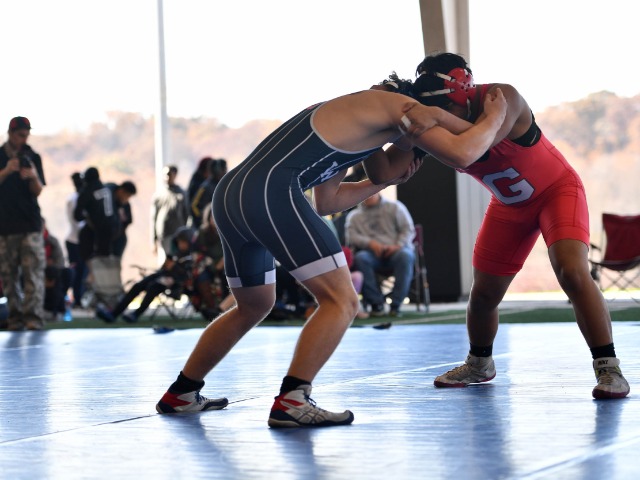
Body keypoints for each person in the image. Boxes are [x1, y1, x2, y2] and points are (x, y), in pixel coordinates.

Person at [154, 83, 507, 427]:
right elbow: (462, 149)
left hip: (232, 195)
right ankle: (292, 400)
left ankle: (182, 392)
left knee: (254, 304)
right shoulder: (394, 103)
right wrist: (493, 118)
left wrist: (383, 181)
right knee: (342, 301)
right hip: (270, 192)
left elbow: (327, 202)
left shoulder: (347, 127)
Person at [401, 52, 629, 399]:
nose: (445, 114)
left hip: (557, 192)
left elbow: (481, 144)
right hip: (509, 205)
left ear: (466, 92)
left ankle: (609, 368)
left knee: (571, 271)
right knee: (483, 293)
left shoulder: (502, 97)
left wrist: (434, 117)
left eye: (449, 107)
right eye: (439, 108)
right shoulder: (439, 118)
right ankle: (480, 363)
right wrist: (384, 128)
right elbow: (387, 171)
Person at [96, 227, 218, 323]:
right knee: (139, 285)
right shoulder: (177, 253)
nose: (181, 245)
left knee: (154, 286)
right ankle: (114, 313)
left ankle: (136, 314)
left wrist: (174, 269)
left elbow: (190, 276)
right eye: (179, 242)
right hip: (164, 276)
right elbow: (166, 268)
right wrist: (168, 266)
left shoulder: (195, 256)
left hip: (178, 284)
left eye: (183, 242)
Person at [0, 116, 47, 331]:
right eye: (20, 135)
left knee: (33, 273)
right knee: (9, 275)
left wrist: (33, 176)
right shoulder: (0, 155)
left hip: (30, 225)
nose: (24, 139)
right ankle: (15, 318)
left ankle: (33, 318)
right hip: (5, 226)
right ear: (11, 133)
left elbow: (38, 191)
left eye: (27, 135)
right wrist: (7, 170)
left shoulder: (32, 156)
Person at [345, 192, 416, 317]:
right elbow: (351, 236)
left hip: (397, 251)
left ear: (378, 191)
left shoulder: (395, 207)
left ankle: (396, 305)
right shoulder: (354, 216)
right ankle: (376, 304)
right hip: (371, 254)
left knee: (406, 256)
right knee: (361, 258)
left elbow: (408, 229)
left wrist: (397, 245)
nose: (369, 195)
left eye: (371, 192)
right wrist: (370, 243)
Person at [74, 167, 118, 260]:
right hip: (114, 227)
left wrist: (87, 217)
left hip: (97, 232)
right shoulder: (107, 189)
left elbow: (77, 216)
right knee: (106, 256)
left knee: (93, 258)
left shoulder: (87, 192)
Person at [152, 165, 189, 260]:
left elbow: (186, 214)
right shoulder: (159, 194)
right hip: (164, 233)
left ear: (175, 175)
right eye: (165, 175)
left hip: (178, 234)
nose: (167, 177)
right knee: (168, 259)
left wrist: (185, 233)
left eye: (169, 174)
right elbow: (153, 217)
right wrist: (154, 239)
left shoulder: (181, 193)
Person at [65, 172, 88, 307]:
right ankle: (76, 298)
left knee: (82, 272)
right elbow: (77, 222)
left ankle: (79, 298)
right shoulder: (75, 199)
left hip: (79, 241)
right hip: (75, 241)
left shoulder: (77, 198)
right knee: (77, 272)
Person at [43, 219, 73, 321]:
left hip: (53, 272)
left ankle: (58, 310)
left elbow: (60, 262)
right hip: (39, 271)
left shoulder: (52, 241)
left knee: (67, 273)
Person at [190, 158, 227, 229]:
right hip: (208, 226)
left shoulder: (224, 185)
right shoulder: (205, 187)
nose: (225, 172)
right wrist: (203, 217)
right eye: (223, 169)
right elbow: (194, 206)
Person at [107, 180, 137, 258]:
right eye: (127, 195)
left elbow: (128, 220)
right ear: (121, 191)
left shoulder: (125, 205)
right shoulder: (108, 198)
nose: (127, 199)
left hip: (118, 237)